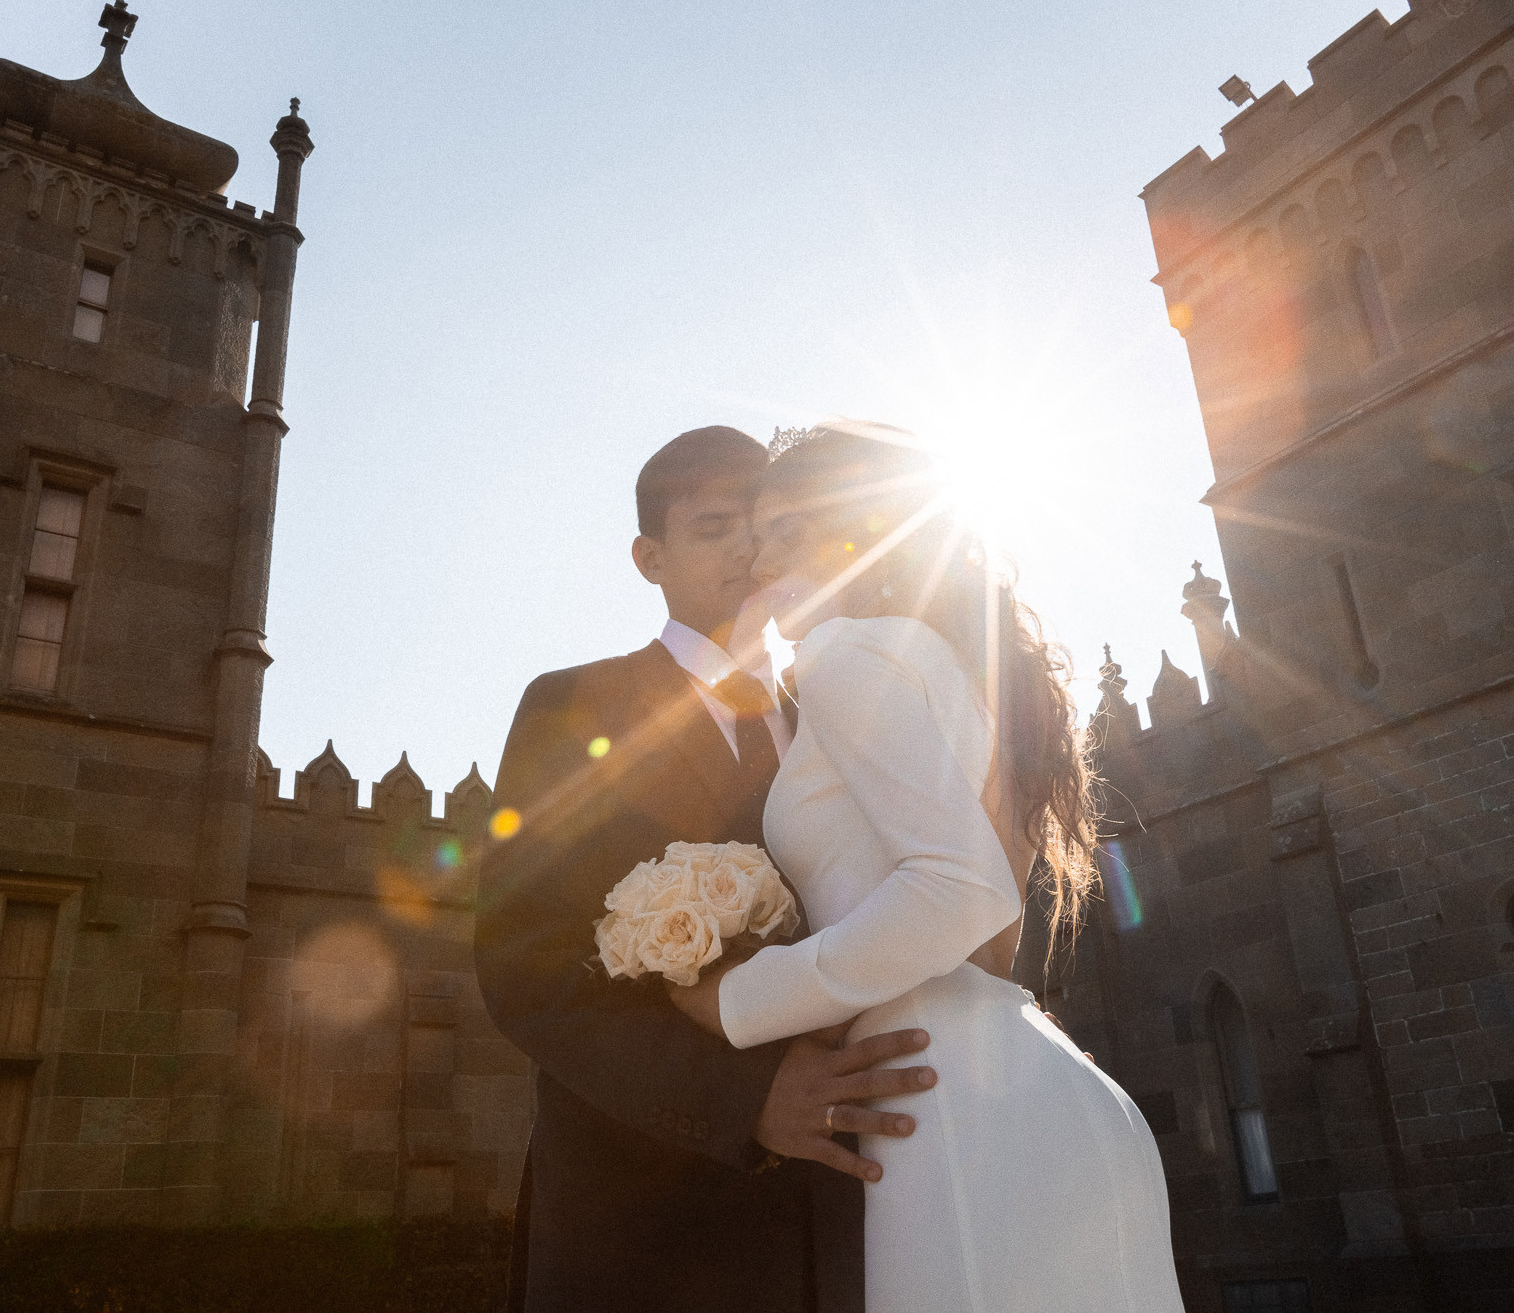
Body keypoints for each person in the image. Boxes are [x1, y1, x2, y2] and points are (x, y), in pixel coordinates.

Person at [667, 422, 1187, 1312]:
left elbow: (962, 890)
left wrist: (740, 1001)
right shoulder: (946, 663)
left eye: (785, 532)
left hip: (936, 1107)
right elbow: (990, 935)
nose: (757, 563)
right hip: (1032, 1087)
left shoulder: (843, 654)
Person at [475, 426, 938, 1313]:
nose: (747, 550)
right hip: (645, 1232)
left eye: (762, 526)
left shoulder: (839, 707)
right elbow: (525, 969)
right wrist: (747, 1097)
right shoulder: (571, 707)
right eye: (714, 526)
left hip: (848, 1223)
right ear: (649, 556)